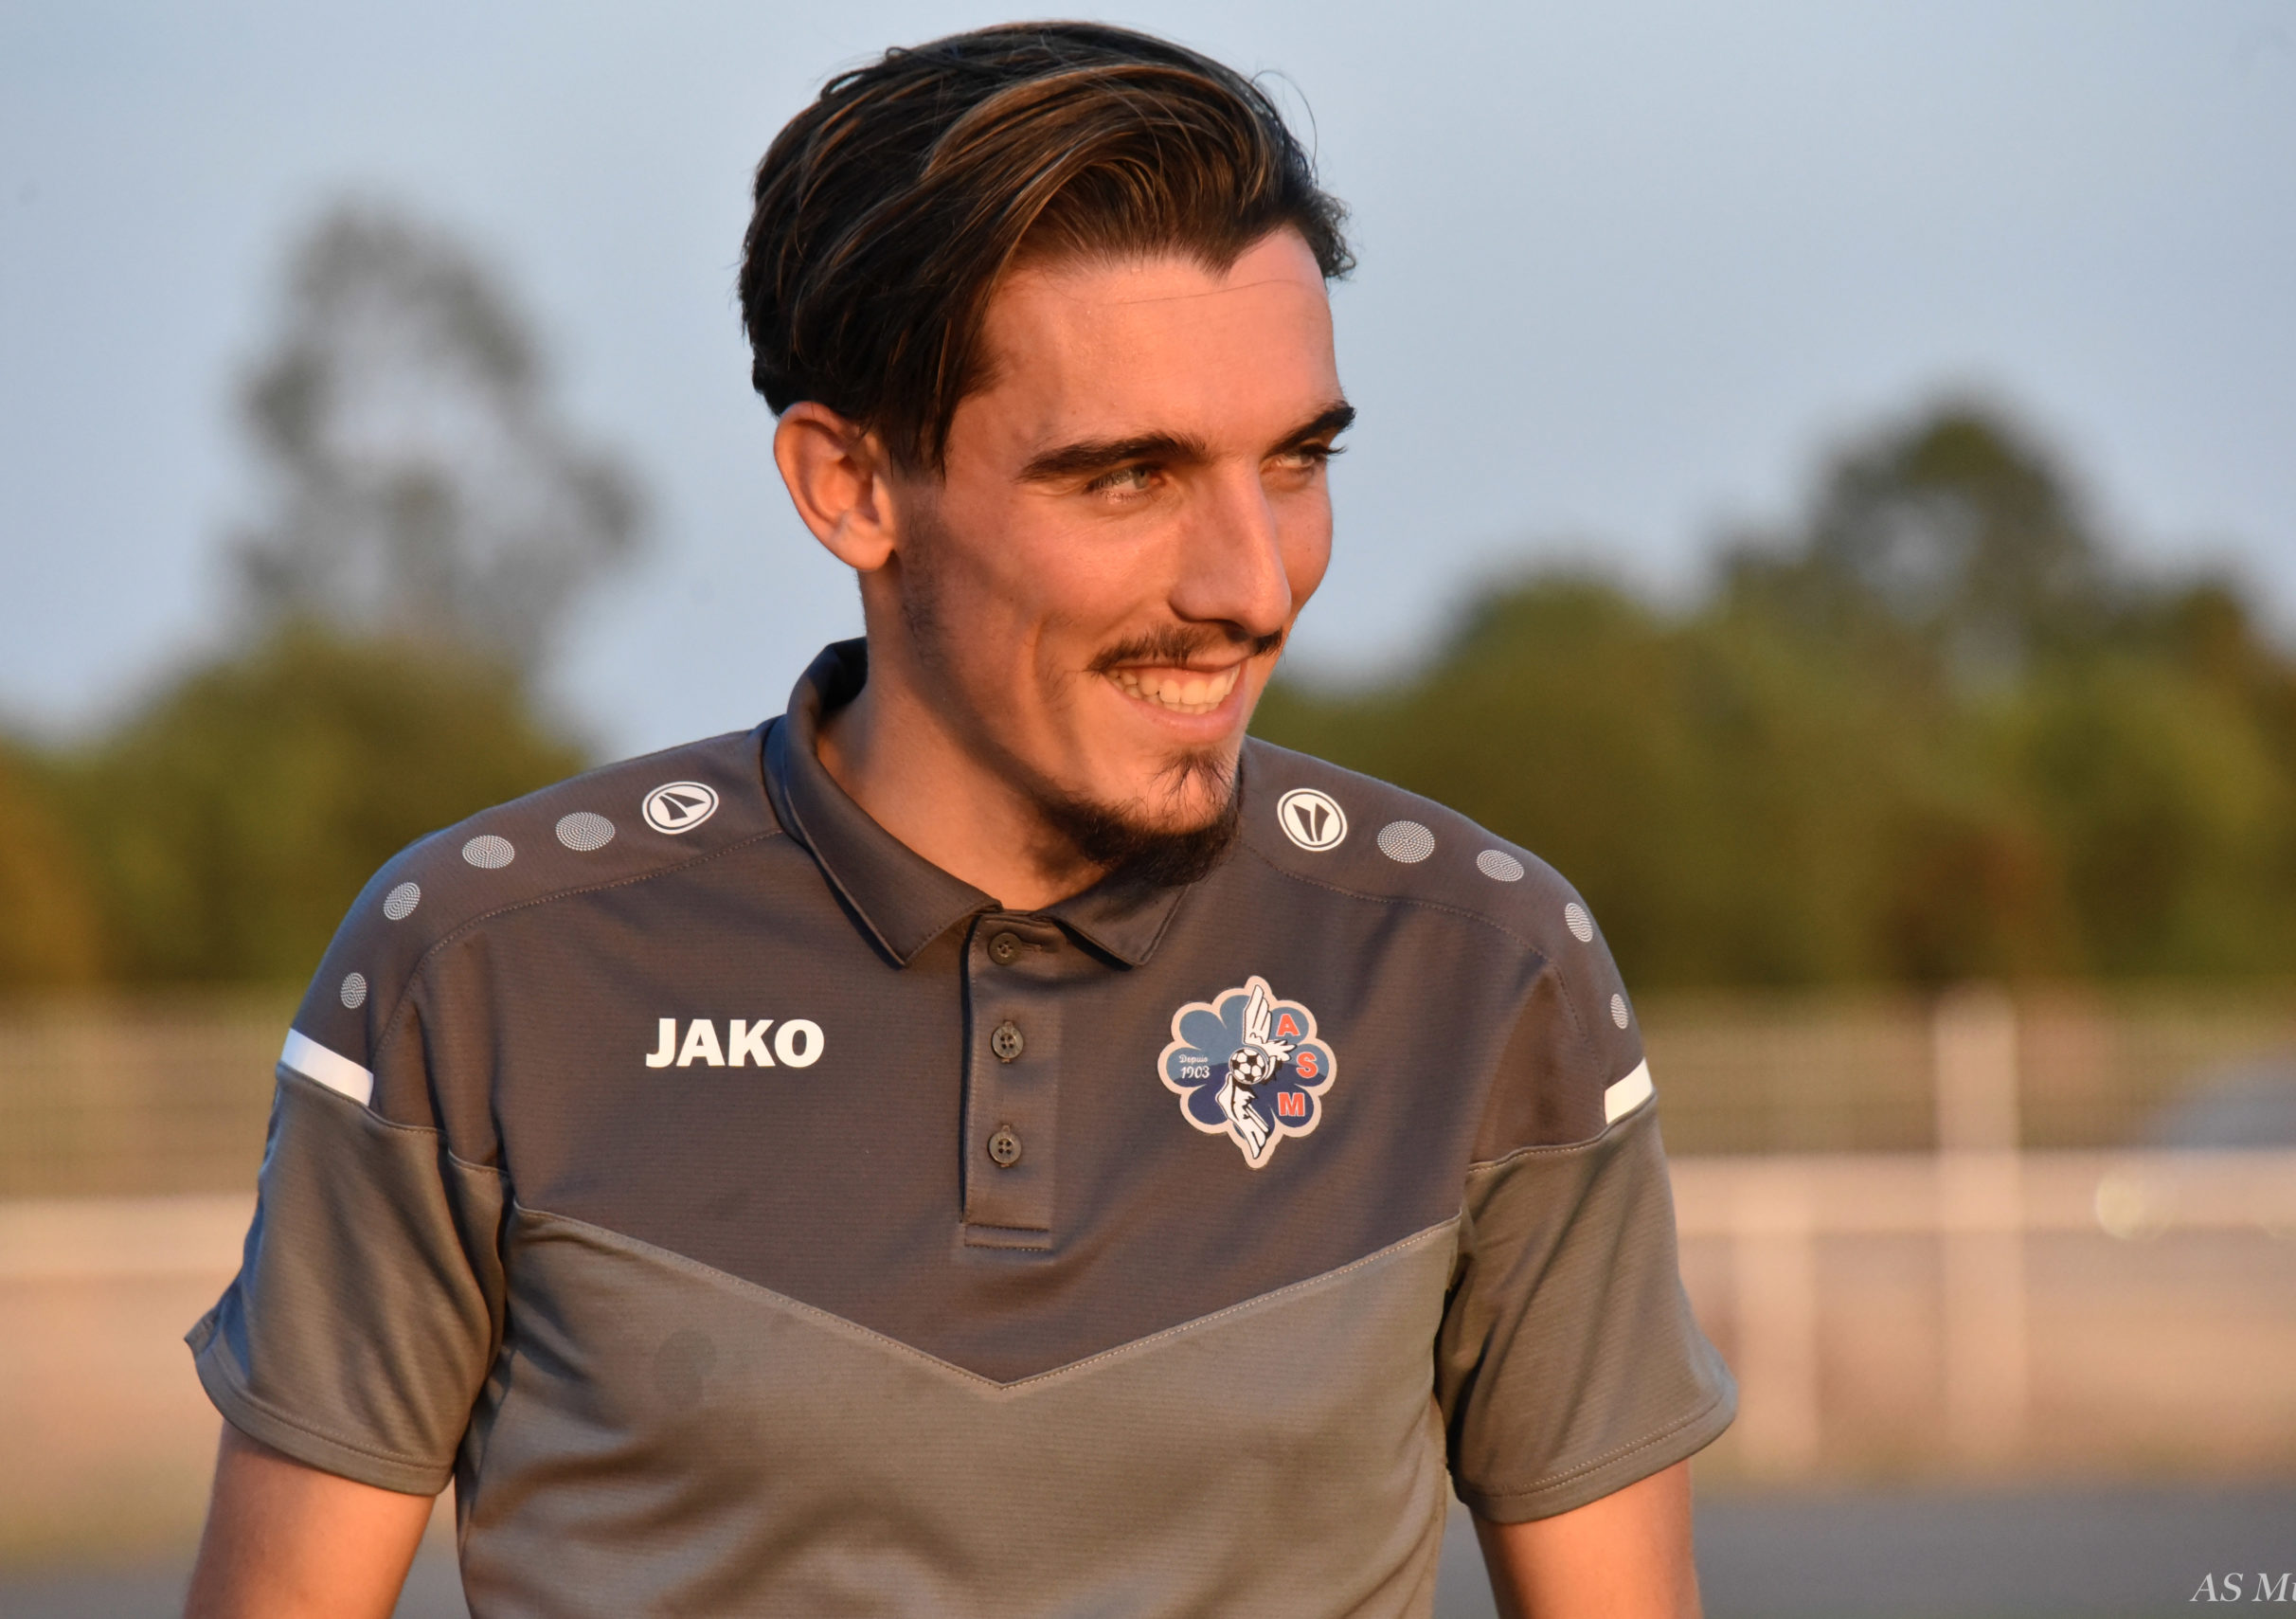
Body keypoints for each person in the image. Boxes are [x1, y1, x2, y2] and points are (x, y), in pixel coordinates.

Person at [183, 23, 1734, 1618]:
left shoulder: (1482, 964)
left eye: (1294, 461)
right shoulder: (478, 962)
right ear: (850, 486)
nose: (1253, 585)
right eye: (1127, 477)